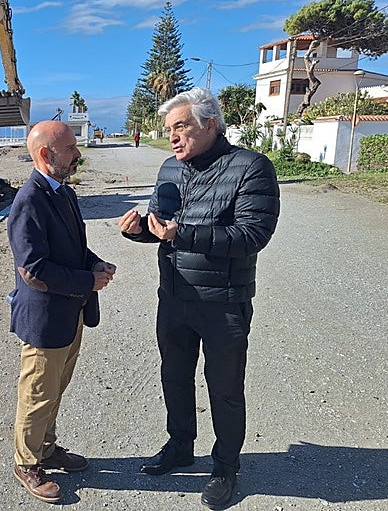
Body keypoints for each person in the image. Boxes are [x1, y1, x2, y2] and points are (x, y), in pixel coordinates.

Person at [118, 88, 280, 510]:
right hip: (174, 296)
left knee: (225, 388)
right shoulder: (170, 167)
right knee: (174, 376)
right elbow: (161, 227)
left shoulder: (251, 167)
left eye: (181, 127)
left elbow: (252, 235)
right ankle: (179, 446)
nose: (172, 136)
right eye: (169, 129)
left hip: (224, 302)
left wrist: (183, 234)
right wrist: (138, 231)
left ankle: (225, 467)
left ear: (210, 124)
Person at [7, 120, 116, 503]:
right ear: (45, 155)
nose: (78, 154)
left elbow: (72, 247)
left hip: (69, 314)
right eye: (70, 148)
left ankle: (46, 448)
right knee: (37, 393)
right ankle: (26, 463)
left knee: (54, 389)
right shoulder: (29, 201)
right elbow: (33, 269)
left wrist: (94, 263)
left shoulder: (63, 192)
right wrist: (87, 281)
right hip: (45, 320)